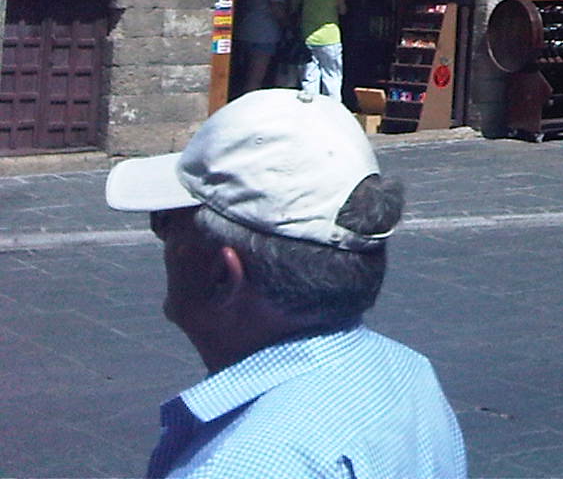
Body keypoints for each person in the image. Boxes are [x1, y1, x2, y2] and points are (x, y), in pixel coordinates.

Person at [104, 88, 466, 478]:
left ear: (222, 275)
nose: (161, 237)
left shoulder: (236, 466)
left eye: (165, 223)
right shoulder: (407, 373)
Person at [230, 0, 294, 96]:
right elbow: (276, 4)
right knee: (255, 79)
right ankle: (248, 107)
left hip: (242, 26)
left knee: (238, 75)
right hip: (264, 31)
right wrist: (289, 25)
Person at [293, 0, 348, 101]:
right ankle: (333, 110)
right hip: (330, 37)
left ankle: (310, 109)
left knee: (309, 79)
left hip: (306, 36)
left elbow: (293, 6)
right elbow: (342, 10)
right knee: (332, 78)